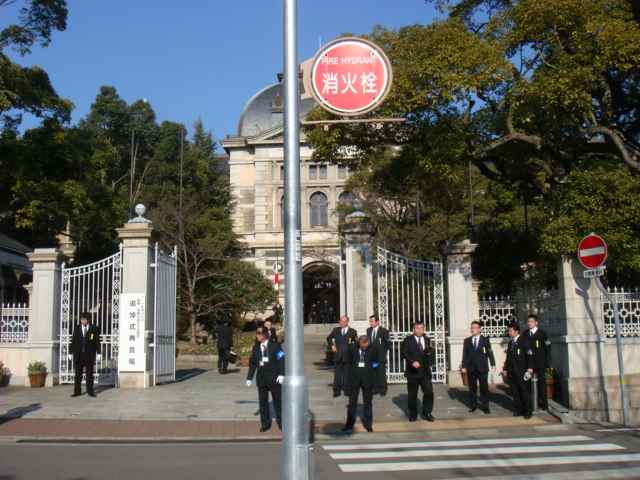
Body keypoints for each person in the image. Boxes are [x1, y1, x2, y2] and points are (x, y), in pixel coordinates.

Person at [246, 326, 284, 432]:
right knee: (263, 403)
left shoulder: (275, 346)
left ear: (265, 334)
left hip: (274, 379)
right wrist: (249, 378)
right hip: (261, 379)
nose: (257, 335)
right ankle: (265, 424)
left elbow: (282, 359)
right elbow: (253, 364)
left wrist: (282, 374)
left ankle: (282, 423)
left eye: (259, 333)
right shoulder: (256, 348)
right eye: (257, 333)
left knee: (278, 402)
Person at [343, 335, 380, 433]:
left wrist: (375, 382)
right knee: (352, 403)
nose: (364, 347)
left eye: (366, 345)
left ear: (368, 343)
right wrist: (347, 381)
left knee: (368, 403)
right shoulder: (352, 349)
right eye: (362, 345)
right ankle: (349, 424)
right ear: (359, 343)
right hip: (354, 379)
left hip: (368, 380)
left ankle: (368, 425)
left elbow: (376, 364)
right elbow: (348, 364)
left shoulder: (373, 350)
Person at [401, 322, 435, 422]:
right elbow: (404, 353)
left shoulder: (427, 339)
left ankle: (427, 412)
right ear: (413, 329)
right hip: (413, 372)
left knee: (429, 392)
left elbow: (430, 352)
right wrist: (412, 362)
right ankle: (413, 413)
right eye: (417, 328)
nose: (420, 330)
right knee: (412, 395)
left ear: (424, 329)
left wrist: (431, 362)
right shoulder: (408, 340)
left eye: (421, 328)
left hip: (425, 372)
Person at [461, 320, 496, 414]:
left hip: (482, 368)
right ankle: (473, 405)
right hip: (471, 368)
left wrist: (493, 364)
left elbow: (490, 352)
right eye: (472, 328)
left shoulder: (485, 340)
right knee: (472, 388)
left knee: (484, 388)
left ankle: (485, 406)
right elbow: (465, 354)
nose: (473, 330)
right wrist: (464, 366)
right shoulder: (467, 341)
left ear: (479, 329)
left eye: (475, 328)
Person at [502, 322, 533, 419]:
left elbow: (530, 355)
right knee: (515, 392)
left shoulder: (524, 340)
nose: (509, 332)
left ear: (516, 331)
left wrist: (530, 369)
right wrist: (505, 369)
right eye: (509, 331)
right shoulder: (511, 342)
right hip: (512, 372)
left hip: (522, 371)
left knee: (525, 392)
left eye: (511, 331)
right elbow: (508, 357)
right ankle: (518, 410)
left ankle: (527, 411)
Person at [523, 314, 552, 410]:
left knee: (541, 384)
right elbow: (523, 346)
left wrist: (548, 362)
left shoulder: (542, 334)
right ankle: (531, 403)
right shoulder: (525, 334)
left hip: (540, 363)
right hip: (529, 363)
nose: (529, 323)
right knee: (528, 384)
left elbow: (548, 348)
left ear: (536, 322)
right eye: (528, 322)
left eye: (531, 321)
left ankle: (544, 403)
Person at [69, 312, 100, 398]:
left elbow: (97, 341)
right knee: (78, 374)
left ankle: (90, 391)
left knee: (89, 374)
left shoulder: (94, 328)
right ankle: (77, 391)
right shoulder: (77, 328)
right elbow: (73, 340)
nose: (83, 321)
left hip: (89, 354)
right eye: (81, 319)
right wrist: (70, 352)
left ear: (88, 320)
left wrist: (99, 352)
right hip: (78, 354)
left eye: (84, 319)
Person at [326, 315, 358, 397]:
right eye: (340, 321)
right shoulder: (336, 330)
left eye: (344, 321)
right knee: (337, 374)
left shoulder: (353, 331)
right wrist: (332, 345)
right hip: (338, 356)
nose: (341, 323)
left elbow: (356, 343)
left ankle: (347, 390)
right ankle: (337, 390)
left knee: (347, 374)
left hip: (348, 356)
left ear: (347, 322)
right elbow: (329, 338)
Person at [366, 315, 390, 396]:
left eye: (372, 321)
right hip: (371, 356)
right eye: (370, 321)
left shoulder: (384, 331)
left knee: (381, 373)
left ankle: (383, 390)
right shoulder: (368, 330)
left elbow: (387, 344)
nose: (371, 323)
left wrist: (382, 351)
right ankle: (375, 388)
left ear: (377, 322)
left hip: (380, 356)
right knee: (373, 373)